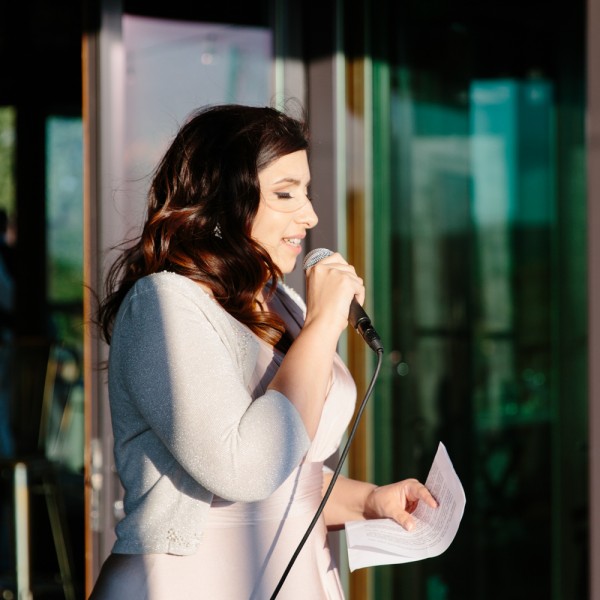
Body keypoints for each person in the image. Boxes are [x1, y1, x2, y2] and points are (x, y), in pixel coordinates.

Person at [90, 104, 437, 599]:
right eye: (285, 193)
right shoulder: (162, 305)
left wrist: (370, 502)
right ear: (222, 200)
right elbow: (247, 469)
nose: (310, 215)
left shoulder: (280, 302)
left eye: (307, 192)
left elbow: (293, 482)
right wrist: (323, 324)